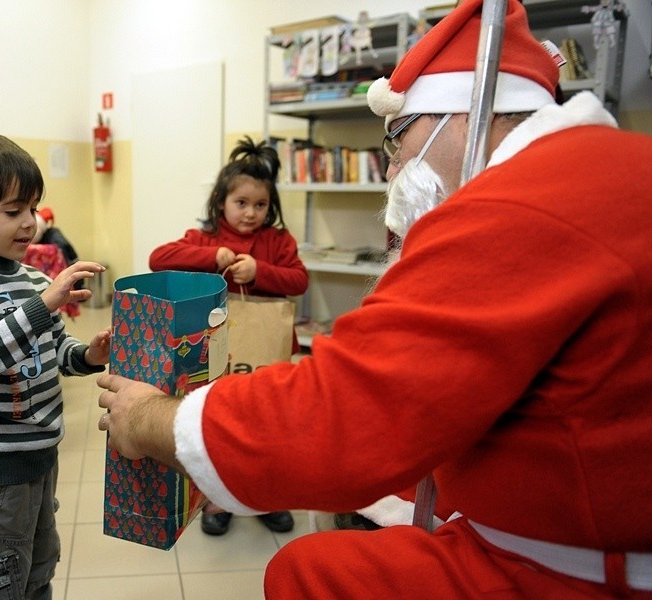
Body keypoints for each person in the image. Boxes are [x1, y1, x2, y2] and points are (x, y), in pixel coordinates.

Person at [95, 0, 652, 597]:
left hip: (579, 565)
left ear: (457, 118)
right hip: (578, 507)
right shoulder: (605, 167)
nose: (392, 170)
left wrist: (156, 421)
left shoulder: (516, 204)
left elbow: (349, 409)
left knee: (303, 571)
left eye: (395, 140)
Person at [0, 131, 110, 599]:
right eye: (13, 211)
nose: (30, 223)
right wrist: (40, 306)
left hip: (38, 459)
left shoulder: (32, 277)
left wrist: (88, 355)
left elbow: (54, 350)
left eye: (33, 208)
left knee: (34, 572)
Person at [148, 135, 309, 536]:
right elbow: (158, 259)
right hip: (214, 355)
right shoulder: (203, 239)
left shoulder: (277, 242)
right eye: (241, 203)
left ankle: (265, 496)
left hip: (266, 356)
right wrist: (210, 257)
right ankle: (217, 498)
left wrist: (261, 272)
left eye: (260, 205)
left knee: (268, 425)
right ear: (221, 202)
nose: (250, 213)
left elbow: (300, 280)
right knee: (219, 425)